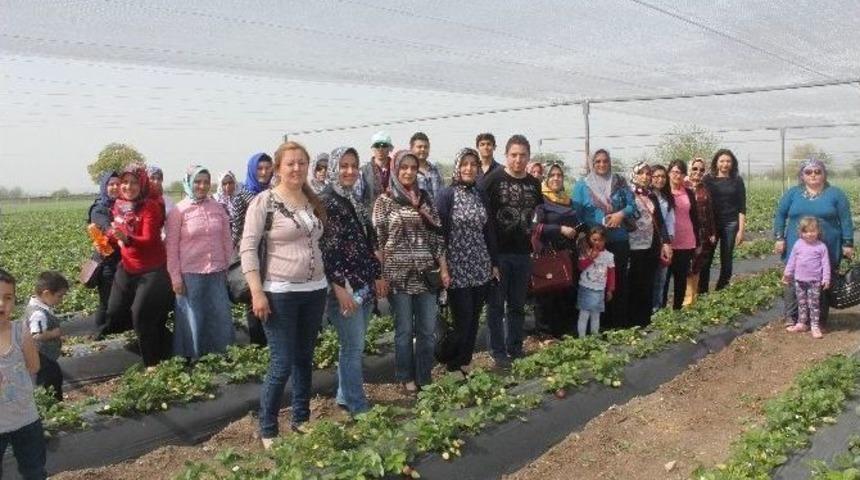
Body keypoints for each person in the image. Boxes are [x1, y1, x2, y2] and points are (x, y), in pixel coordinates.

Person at [241, 141, 328, 447]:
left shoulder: (310, 200)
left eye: (302, 163)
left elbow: (318, 242)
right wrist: (257, 292)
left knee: (305, 358)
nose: (297, 168)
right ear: (277, 168)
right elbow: (248, 248)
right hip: (279, 292)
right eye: (290, 163)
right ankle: (268, 428)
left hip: (315, 290)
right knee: (282, 362)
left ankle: (301, 419)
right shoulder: (264, 202)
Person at [374, 150, 449, 392]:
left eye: (412, 168)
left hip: (426, 275)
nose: (408, 172)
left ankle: (424, 375)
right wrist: (381, 275)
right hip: (398, 277)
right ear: (395, 170)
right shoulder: (384, 202)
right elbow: (378, 242)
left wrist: (444, 268)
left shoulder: (425, 199)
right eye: (403, 167)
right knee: (404, 330)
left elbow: (437, 238)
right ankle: (405, 377)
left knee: (427, 330)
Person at [319, 147, 383, 415]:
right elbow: (327, 250)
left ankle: (345, 396)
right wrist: (339, 289)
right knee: (353, 348)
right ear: (334, 167)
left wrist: (377, 274)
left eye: (353, 166)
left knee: (353, 346)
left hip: (363, 284)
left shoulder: (352, 199)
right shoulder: (326, 202)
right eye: (343, 166)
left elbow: (369, 240)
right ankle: (358, 406)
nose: (349, 171)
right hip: (345, 289)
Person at [479, 135, 543, 368]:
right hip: (498, 254)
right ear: (506, 155)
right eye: (514, 155)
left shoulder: (534, 184)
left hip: (523, 253)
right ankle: (497, 351)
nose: (518, 159)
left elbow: (538, 215)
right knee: (496, 306)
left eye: (523, 155)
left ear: (528, 157)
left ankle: (515, 347)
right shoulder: (492, 180)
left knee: (517, 305)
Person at [435, 148, 498, 375]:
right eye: (465, 164)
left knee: (474, 319)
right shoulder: (446, 195)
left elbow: (488, 230)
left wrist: (493, 262)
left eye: (473, 164)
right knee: (462, 319)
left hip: (480, 265)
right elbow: (439, 234)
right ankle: (453, 365)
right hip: (457, 267)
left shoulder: (480, 194)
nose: (469, 168)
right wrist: (443, 268)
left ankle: (465, 363)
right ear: (457, 167)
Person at [105, 164, 174, 366]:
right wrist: (108, 236)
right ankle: (161, 339)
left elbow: (149, 239)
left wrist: (127, 238)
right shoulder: (118, 206)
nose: (128, 187)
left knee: (141, 315)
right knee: (114, 311)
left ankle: (152, 363)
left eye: (134, 182)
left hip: (152, 269)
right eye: (125, 182)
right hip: (128, 266)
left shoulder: (150, 206)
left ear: (142, 184)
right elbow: (116, 231)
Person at [774, 158, 854, 328]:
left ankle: (819, 319)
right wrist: (779, 238)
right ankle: (792, 316)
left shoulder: (836, 194)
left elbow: (846, 220)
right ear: (802, 175)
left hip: (828, 246)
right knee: (792, 278)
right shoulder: (793, 193)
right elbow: (780, 215)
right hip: (796, 246)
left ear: (824, 174)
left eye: (818, 171)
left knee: (824, 279)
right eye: (808, 172)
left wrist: (847, 243)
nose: (813, 175)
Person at [166, 165, 235, 361]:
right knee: (193, 318)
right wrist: (175, 277)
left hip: (217, 271)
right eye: (197, 181)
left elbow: (227, 240)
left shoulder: (217, 208)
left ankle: (221, 356)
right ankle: (193, 358)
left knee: (219, 315)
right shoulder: (179, 211)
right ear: (188, 182)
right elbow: (171, 248)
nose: (202, 186)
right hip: (190, 274)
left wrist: (230, 268)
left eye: (206, 182)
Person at [573, 149, 635, 329]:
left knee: (618, 282)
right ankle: (598, 328)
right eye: (597, 161)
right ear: (592, 164)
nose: (601, 164)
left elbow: (631, 205)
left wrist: (620, 214)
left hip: (619, 239)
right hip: (596, 244)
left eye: (605, 161)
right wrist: (588, 237)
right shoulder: (581, 186)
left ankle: (618, 325)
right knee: (595, 284)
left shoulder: (619, 182)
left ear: (610, 162)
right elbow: (577, 215)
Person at [0, 269, 47, 480]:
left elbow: (34, 366)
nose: (1, 304)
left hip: (26, 421)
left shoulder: (21, 332)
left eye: (7, 298)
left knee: (34, 472)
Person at [531, 161, 582, 337]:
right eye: (552, 175)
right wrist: (560, 229)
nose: (556, 178)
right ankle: (545, 333)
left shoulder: (568, 201)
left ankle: (565, 332)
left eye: (559, 175)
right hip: (549, 253)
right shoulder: (540, 200)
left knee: (567, 291)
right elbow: (536, 228)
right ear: (546, 177)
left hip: (568, 254)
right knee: (547, 292)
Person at [234, 152, 274, 346]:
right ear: (252, 170)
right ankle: (258, 346)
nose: (264, 172)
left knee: (272, 297)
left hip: (274, 255)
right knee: (254, 299)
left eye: (268, 168)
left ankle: (272, 342)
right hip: (253, 254)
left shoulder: (275, 193)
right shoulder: (242, 196)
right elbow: (235, 230)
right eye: (259, 168)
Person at [626, 163, 672, 327]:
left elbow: (659, 222)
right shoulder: (627, 194)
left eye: (648, 173)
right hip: (632, 248)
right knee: (633, 284)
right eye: (641, 173)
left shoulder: (652, 196)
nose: (645, 176)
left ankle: (644, 321)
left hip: (650, 247)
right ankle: (630, 322)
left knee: (647, 283)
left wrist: (665, 243)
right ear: (634, 175)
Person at [701, 149, 746, 291]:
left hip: (730, 223)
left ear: (732, 164)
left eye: (728, 161)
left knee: (726, 259)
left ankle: (721, 289)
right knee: (706, 259)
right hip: (711, 225)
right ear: (716, 162)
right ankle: (702, 291)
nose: (725, 164)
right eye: (722, 161)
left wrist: (741, 230)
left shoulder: (737, 181)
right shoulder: (708, 179)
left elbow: (742, 206)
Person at [783, 217, 831, 339]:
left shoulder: (821, 246)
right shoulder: (798, 244)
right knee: (801, 303)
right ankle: (802, 323)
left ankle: (814, 326)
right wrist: (787, 273)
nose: (809, 234)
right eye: (806, 232)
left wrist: (826, 278)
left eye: (812, 231)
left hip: (815, 281)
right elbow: (792, 260)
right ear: (801, 233)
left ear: (818, 231)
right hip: (799, 280)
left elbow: (826, 264)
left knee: (814, 304)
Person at [662, 160, 700, 310]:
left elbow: (694, 217)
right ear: (669, 173)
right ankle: (661, 309)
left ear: (685, 175)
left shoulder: (688, 192)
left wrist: (697, 241)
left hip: (686, 240)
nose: (677, 175)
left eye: (681, 172)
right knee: (664, 279)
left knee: (681, 278)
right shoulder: (663, 192)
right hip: (668, 242)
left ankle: (677, 309)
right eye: (674, 172)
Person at [25, 271, 68, 401]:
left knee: (53, 379)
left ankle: (52, 403)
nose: (62, 299)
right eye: (60, 296)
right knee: (51, 381)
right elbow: (36, 335)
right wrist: (54, 333)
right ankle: (53, 405)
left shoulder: (39, 305)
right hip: (42, 357)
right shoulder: (38, 313)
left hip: (43, 356)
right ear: (46, 294)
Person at [88, 171, 121, 329]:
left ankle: (112, 327)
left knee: (119, 298)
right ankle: (99, 332)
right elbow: (108, 230)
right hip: (107, 262)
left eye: (117, 184)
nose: (115, 187)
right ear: (104, 187)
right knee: (106, 300)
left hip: (122, 260)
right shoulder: (99, 209)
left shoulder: (122, 205)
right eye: (111, 184)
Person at [685, 157, 717, 306]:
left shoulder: (704, 187)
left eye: (702, 169)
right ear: (689, 169)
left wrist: (712, 232)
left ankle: (693, 298)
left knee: (697, 264)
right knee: (687, 265)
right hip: (685, 232)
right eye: (695, 168)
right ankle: (685, 300)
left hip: (702, 232)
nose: (698, 172)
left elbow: (710, 211)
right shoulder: (682, 186)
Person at [577, 226, 615, 338]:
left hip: (600, 289)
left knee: (596, 315)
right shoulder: (585, 252)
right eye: (594, 240)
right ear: (590, 239)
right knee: (584, 314)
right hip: (586, 287)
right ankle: (581, 339)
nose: (597, 243)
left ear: (605, 241)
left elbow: (611, 274)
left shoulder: (609, 256)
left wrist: (610, 290)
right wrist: (591, 258)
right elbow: (580, 267)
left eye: (600, 240)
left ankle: (594, 337)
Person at [650, 164, 674, 312]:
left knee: (662, 278)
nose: (660, 179)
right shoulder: (646, 195)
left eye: (663, 176)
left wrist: (667, 242)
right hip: (650, 242)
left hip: (664, 241)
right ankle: (649, 309)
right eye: (656, 176)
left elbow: (669, 222)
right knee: (651, 277)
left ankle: (657, 307)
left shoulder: (666, 197)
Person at [356, 131, 393, 211]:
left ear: (389, 148)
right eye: (377, 145)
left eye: (384, 145)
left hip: (395, 218)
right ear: (373, 148)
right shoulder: (363, 171)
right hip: (371, 218)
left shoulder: (397, 169)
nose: (380, 149)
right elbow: (358, 199)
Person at [410, 132, 444, 201]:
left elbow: (443, 194)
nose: (423, 149)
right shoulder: (408, 172)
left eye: (426, 147)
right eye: (419, 147)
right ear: (411, 148)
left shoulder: (436, 169)